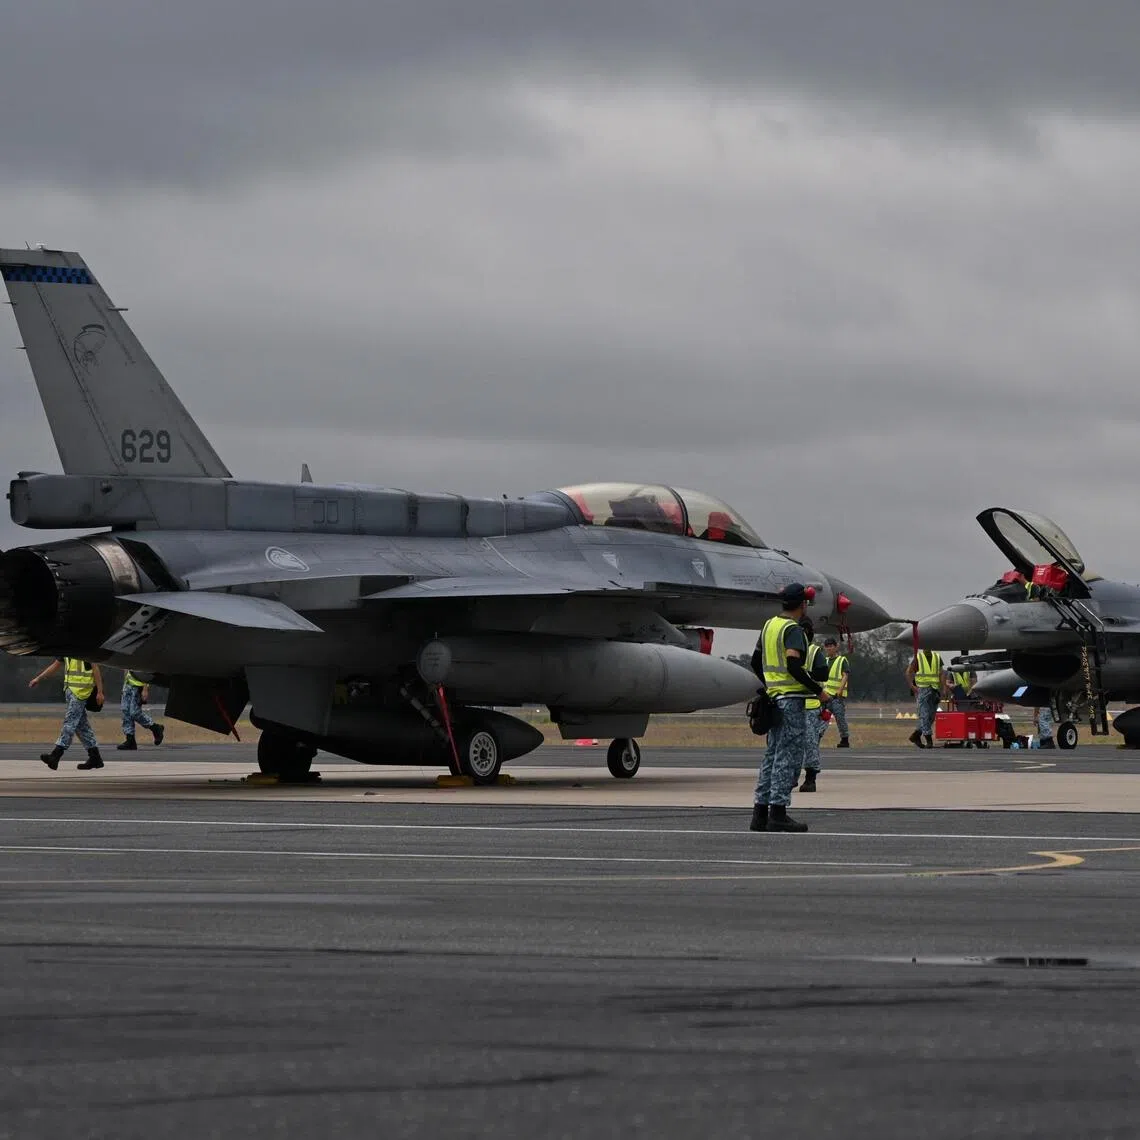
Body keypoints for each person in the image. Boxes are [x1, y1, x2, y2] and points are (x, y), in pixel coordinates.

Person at [749, 582, 830, 832]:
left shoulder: (769, 626)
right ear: (803, 604)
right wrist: (819, 690)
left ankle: (760, 815)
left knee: (771, 757)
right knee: (788, 757)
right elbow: (794, 666)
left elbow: (755, 661)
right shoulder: (792, 629)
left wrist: (770, 686)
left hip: (774, 698)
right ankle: (778, 813)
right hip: (790, 702)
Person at [29, 657, 106, 771]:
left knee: (70, 723)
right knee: (81, 726)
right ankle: (95, 757)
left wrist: (100, 692)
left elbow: (95, 667)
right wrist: (38, 678)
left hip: (81, 692)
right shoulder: (67, 649)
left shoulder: (84, 648)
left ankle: (56, 755)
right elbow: (55, 665)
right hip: (71, 691)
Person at [798, 617, 830, 793]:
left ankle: (810, 777)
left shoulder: (813, 652)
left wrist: (803, 673)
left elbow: (823, 674)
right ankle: (790, 776)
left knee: (810, 743)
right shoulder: (786, 650)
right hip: (790, 703)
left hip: (810, 705)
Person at [905, 647, 944, 748]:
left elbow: (941, 674)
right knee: (925, 715)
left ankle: (916, 735)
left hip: (934, 689)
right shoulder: (917, 658)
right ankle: (929, 739)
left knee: (931, 716)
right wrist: (912, 686)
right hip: (922, 689)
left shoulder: (937, 657)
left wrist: (942, 689)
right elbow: (908, 672)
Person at [118, 670, 165, 750]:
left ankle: (155, 727)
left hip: (138, 687)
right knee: (126, 711)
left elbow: (147, 671)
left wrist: (145, 689)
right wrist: (125, 682)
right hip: (128, 684)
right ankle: (130, 740)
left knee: (134, 713)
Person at [819, 637, 851, 747]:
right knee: (824, 717)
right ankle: (817, 737)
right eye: (827, 646)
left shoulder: (842, 660)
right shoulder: (825, 661)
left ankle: (845, 739)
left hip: (837, 697)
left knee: (840, 718)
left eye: (830, 646)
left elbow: (845, 676)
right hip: (826, 696)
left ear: (836, 646)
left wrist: (840, 691)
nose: (828, 648)